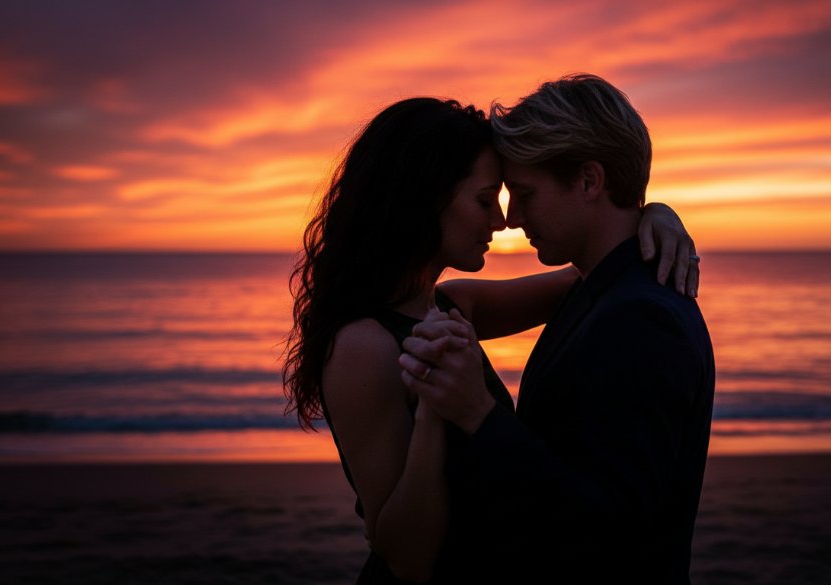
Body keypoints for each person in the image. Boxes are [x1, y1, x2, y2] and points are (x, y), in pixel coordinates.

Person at [283, 96, 699, 584]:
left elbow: (598, 273)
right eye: (485, 200)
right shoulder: (363, 347)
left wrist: (654, 214)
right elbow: (408, 558)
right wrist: (436, 410)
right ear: (423, 199)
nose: (502, 221)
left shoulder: (453, 306)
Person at [399, 74, 715, 584]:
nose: (513, 218)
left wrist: (477, 413)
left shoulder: (643, 319)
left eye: (524, 193)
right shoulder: (598, 288)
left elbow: (613, 530)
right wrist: (654, 212)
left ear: (589, 181)